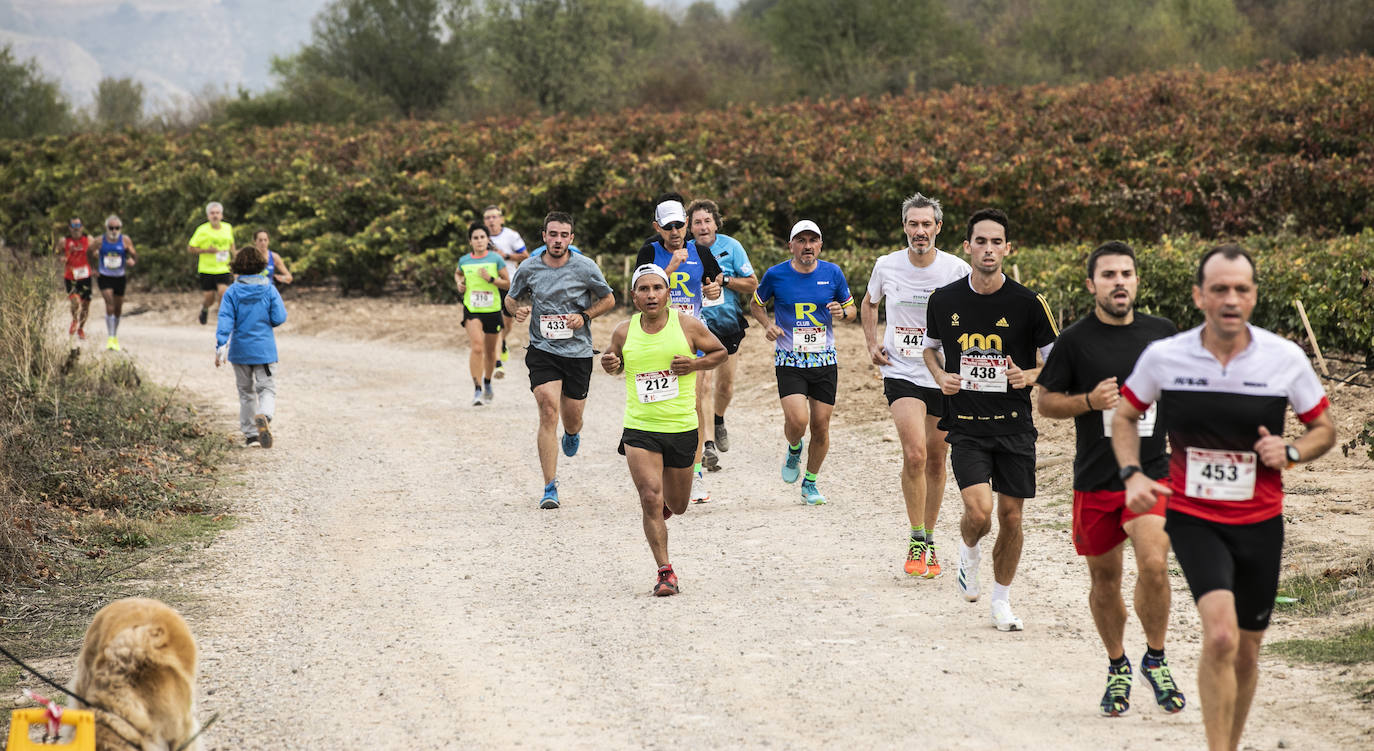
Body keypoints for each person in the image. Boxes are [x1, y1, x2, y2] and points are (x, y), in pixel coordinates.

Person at [1113, 245, 1335, 751]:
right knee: (1220, 637)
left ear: (1254, 296)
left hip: (1260, 520)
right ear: (1199, 296)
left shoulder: (1284, 358)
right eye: (1219, 289)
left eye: (1241, 289)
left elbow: (1324, 428)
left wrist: (1293, 451)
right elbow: (1126, 415)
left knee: (1247, 653)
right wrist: (1130, 473)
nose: (1230, 299)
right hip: (1194, 515)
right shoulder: (1166, 357)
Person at [1037, 241, 1184, 716]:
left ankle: (1156, 658)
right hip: (1095, 479)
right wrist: (1087, 402)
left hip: (1150, 475)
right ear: (1091, 285)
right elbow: (1045, 401)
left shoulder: (1163, 334)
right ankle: (1118, 664)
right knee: (1105, 580)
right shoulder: (1076, 341)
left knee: (1155, 565)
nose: (1119, 282)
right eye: (1108, 275)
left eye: (1126, 273)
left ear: (1137, 281)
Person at [922, 208, 1058, 631]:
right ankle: (968, 550)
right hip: (966, 424)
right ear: (967, 247)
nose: (988, 249)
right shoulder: (944, 299)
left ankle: (1001, 601)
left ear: (1007, 248)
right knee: (979, 514)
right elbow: (931, 348)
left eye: (996, 242)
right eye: (980, 241)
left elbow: (1059, 365)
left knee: (1012, 518)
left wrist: (1031, 375)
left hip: (1015, 425)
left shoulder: (1030, 303)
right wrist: (941, 375)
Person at [601, 263, 727, 596]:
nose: (651, 294)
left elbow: (720, 352)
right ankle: (665, 572)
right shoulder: (623, 330)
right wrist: (610, 363)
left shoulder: (687, 325)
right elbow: (613, 361)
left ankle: (668, 506)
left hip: (681, 426)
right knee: (649, 497)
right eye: (644, 289)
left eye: (657, 288)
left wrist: (695, 364)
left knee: (679, 504)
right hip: (640, 427)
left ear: (668, 293)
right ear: (634, 296)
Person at [862, 193, 970, 578]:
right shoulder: (886, 265)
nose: (919, 231)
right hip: (901, 370)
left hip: (942, 375)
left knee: (938, 460)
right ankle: (916, 536)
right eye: (913, 224)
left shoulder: (956, 269)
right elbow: (870, 303)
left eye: (926, 224)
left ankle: (931, 541)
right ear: (904, 226)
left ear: (938, 227)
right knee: (915, 455)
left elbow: (973, 314)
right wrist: (873, 344)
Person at [505, 211, 616, 509]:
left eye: (563, 235)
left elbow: (608, 299)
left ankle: (572, 432)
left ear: (571, 238)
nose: (557, 240)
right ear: (544, 236)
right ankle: (549, 487)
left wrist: (584, 316)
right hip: (542, 350)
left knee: (572, 416)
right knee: (547, 408)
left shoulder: (585, 267)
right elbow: (511, 298)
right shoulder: (529, 268)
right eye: (552, 234)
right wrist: (516, 310)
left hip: (578, 352)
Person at [750, 219, 855, 506]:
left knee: (820, 426)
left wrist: (842, 313)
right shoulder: (776, 274)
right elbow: (755, 303)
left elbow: (852, 310)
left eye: (813, 241)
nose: (807, 246)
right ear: (791, 245)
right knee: (798, 421)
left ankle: (810, 482)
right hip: (790, 359)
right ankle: (794, 447)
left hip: (824, 359)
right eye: (801, 240)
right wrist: (766, 325)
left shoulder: (833, 273)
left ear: (820, 245)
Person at [634, 194, 723, 502]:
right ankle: (657, 461)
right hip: (655, 334)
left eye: (679, 226)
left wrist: (714, 286)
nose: (675, 232)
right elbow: (639, 288)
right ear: (658, 227)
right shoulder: (650, 250)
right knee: (656, 399)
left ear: (687, 224)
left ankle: (694, 472)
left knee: (694, 405)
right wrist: (669, 268)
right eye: (668, 227)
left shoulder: (699, 250)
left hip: (690, 335)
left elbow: (716, 277)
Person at [687, 198, 758, 473]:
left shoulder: (732, 247)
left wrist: (725, 281)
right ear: (689, 228)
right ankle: (707, 446)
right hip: (697, 327)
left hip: (728, 324)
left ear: (716, 222)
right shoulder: (685, 250)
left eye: (707, 220)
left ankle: (718, 420)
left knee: (724, 387)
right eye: (697, 222)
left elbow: (753, 284)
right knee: (701, 387)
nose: (703, 226)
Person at [215, 246, 287, 448]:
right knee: (267, 390)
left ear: (237, 266)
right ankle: (264, 415)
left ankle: (251, 436)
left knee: (246, 393)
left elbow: (225, 321)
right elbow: (279, 317)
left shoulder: (232, 292)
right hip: (264, 351)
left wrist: (220, 348)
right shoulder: (269, 289)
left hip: (240, 351)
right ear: (261, 265)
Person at [454, 223, 511, 405]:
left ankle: (487, 382)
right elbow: (458, 274)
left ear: (488, 240)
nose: (479, 241)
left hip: (493, 309)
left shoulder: (496, 259)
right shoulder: (464, 261)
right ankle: (477, 389)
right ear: (470, 241)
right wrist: (459, 284)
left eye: (482, 237)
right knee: (477, 347)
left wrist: (491, 279)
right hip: (471, 308)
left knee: (488, 351)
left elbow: (508, 284)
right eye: (475, 238)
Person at [484, 205, 528, 378]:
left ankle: (502, 341)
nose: (491, 220)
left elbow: (526, 256)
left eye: (494, 217)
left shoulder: (511, 235)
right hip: (488, 285)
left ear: (501, 219)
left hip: (509, 283)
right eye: (487, 218)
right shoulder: (481, 237)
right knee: (494, 324)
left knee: (507, 324)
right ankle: (497, 363)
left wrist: (506, 256)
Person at [94, 215, 137, 351]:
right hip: (104, 276)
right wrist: (93, 268)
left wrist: (132, 260)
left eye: (116, 228)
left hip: (119, 277)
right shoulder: (99, 241)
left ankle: (115, 335)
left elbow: (135, 255)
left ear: (120, 228)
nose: (114, 230)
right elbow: (89, 252)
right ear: (106, 228)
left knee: (118, 309)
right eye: (111, 228)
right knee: (110, 303)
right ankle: (110, 337)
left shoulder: (125, 240)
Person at [188, 202, 235, 325]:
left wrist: (235, 258)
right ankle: (205, 308)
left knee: (223, 292)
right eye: (212, 213)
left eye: (217, 213)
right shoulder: (202, 230)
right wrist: (206, 250)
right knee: (210, 298)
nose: (215, 215)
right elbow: (191, 248)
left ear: (222, 215)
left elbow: (231, 244)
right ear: (208, 216)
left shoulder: (227, 227)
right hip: (207, 269)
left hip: (223, 267)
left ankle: (223, 317)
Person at [56, 216, 93, 339]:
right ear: (69, 228)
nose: (76, 229)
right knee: (75, 302)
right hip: (70, 276)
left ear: (82, 227)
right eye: (73, 226)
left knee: (86, 305)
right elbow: (57, 252)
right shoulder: (64, 241)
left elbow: (95, 252)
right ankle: (74, 320)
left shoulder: (88, 239)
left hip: (85, 276)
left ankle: (81, 328)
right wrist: (61, 258)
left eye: (78, 226)